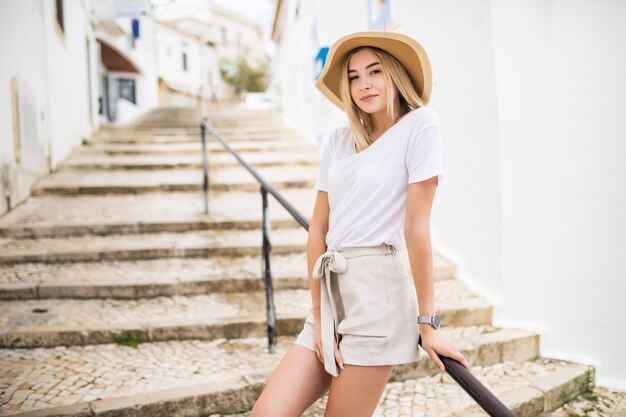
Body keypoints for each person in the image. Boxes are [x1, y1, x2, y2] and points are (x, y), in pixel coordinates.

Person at [250, 30, 471, 417]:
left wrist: (428, 324)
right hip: (332, 291)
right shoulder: (338, 140)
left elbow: (416, 229)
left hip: (377, 294)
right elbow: (318, 228)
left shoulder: (421, 125)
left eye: (375, 71)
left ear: (394, 74)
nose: (364, 84)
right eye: (353, 76)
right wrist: (319, 316)